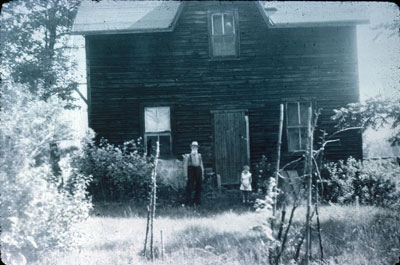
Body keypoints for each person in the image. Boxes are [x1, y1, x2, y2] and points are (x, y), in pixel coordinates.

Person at [183, 141, 204, 205]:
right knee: (190, 186)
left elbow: (201, 165)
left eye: (196, 147)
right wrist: (185, 175)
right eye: (193, 146)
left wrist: (202, 174)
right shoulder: (188, 156)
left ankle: (197, 201)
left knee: (199, 186)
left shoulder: (199, 155)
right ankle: (188, 202)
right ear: (191, 147)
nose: (194, 148)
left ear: (197, 148)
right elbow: (185, 166)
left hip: (198, 170)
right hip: (191, 170)